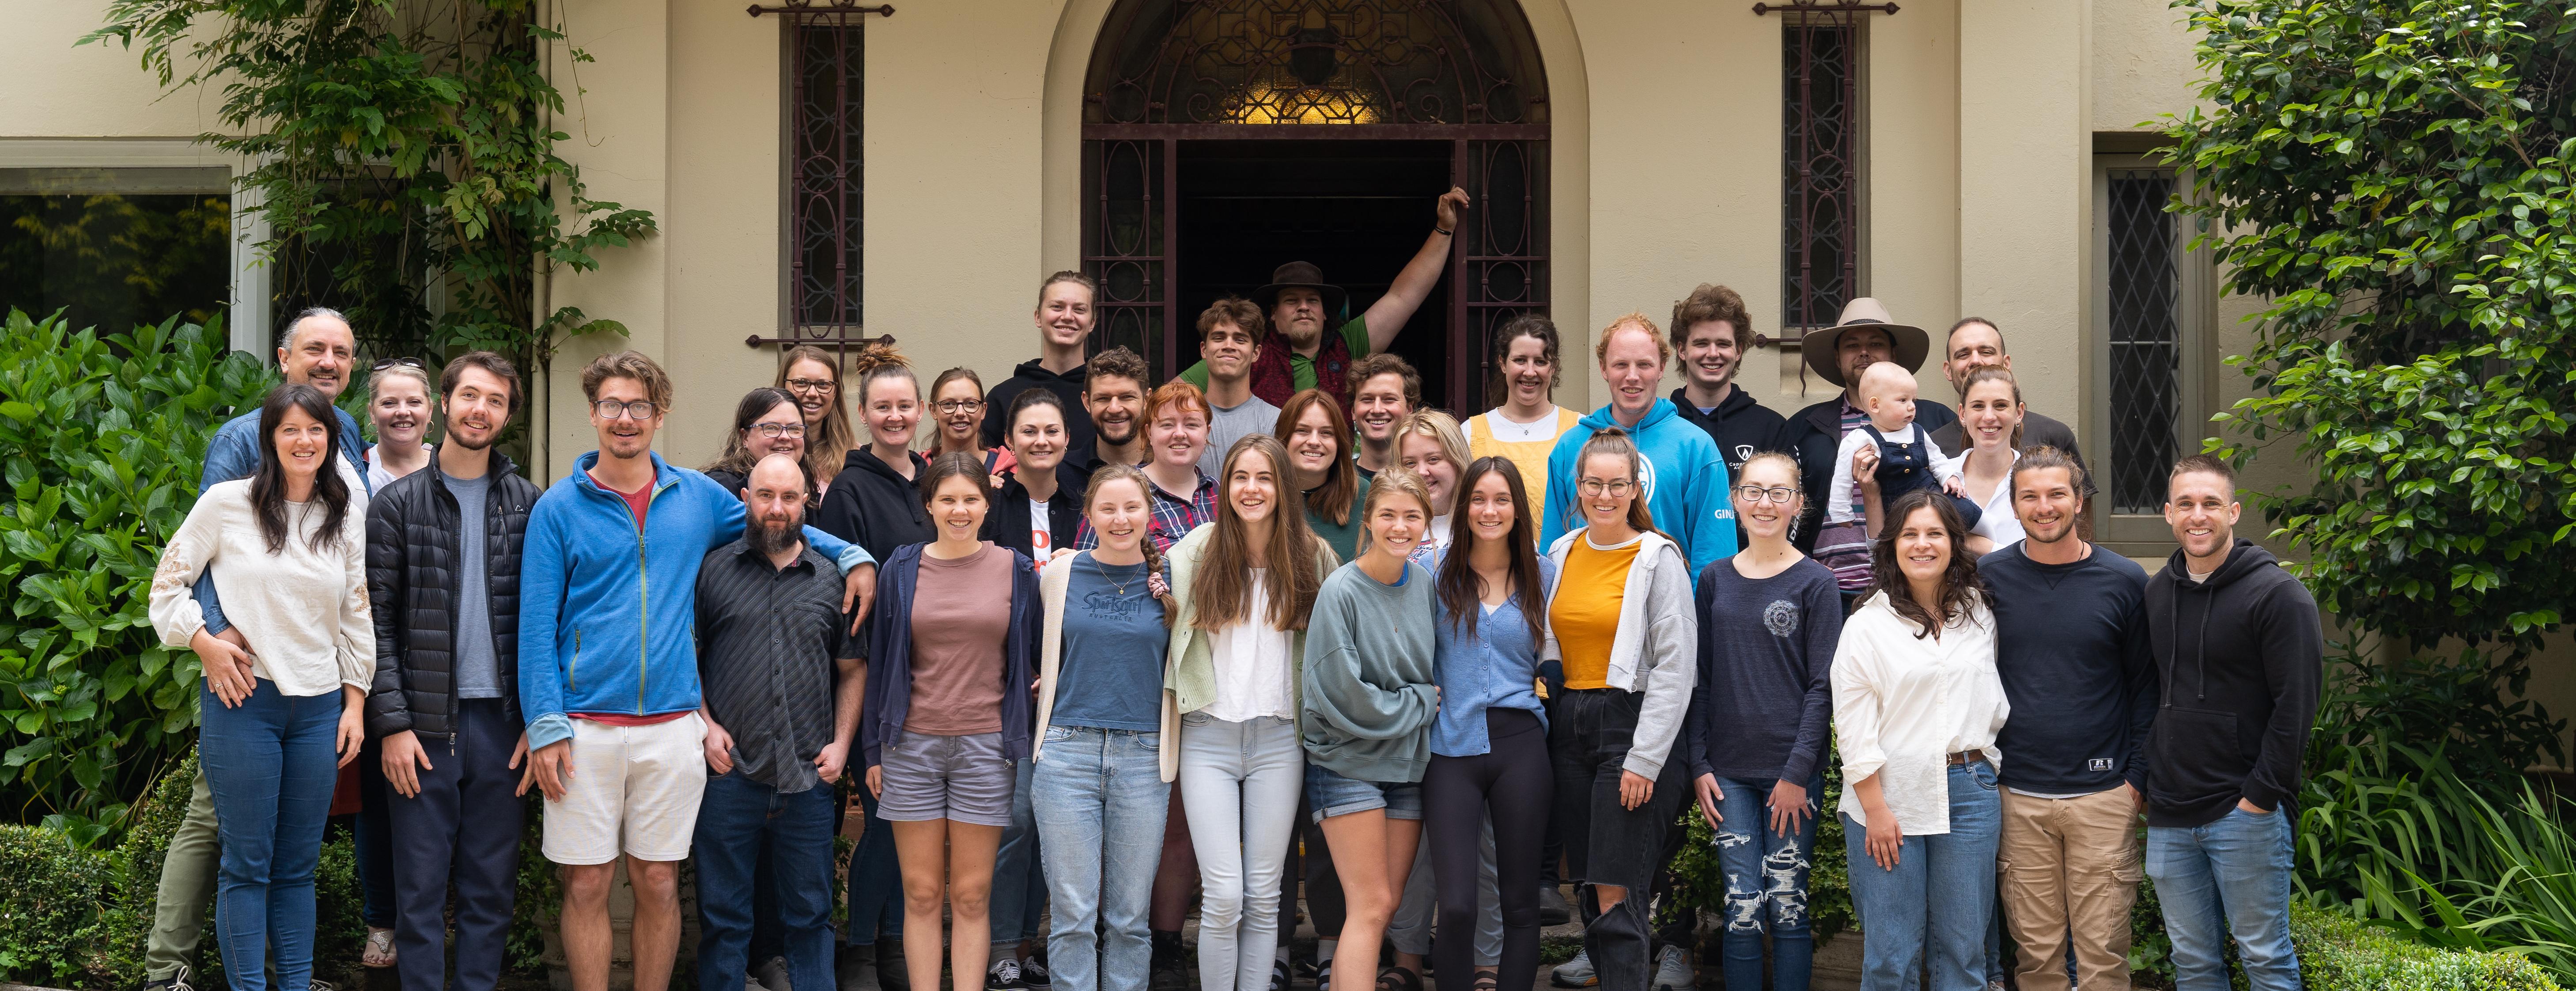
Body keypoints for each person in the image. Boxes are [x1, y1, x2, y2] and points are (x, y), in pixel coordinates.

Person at [518, 351, 874, 991]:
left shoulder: (696, 496)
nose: (625, 418)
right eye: (612, 405)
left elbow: (777, 519)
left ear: (661, 414)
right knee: (587, 882)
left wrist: (852, 555)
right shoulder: (558, 507)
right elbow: (536, 624)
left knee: (659, 880)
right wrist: (545, 722)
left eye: (640, 405)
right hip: (583, 725)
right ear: (593, 412)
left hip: (672, 724)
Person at [144, 308, 374, 991]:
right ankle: (181, 971)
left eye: (316, 430)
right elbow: (171, 584)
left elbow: (356, 608)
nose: (305, 440)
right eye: (290, 430)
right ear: (268, 436)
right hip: (245, 697)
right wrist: (209, 641)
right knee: (242, 860)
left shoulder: (344, 504)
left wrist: (355, 700)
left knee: (296, 867)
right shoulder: (228, 496)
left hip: (318, 705)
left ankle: (292, 983)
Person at [365, 351, 542, 991]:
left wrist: (539, 722)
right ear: (445, 403)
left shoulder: (531, 505)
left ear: (508, 415)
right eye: (470, 395)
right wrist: (392, 725)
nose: (480, 410)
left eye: (495, 400)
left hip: (503, 726)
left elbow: (546, 622)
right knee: (417, 892)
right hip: (422, 727)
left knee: (490, 889)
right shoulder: (396, 505)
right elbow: (375, 623)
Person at [1977, 446, 2154, 991]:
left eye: (2056, 493)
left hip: (2103, 796)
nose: (2044, 506)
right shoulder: (1987, 578)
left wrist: (2135, 780)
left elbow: (2146, 687)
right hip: (2018, 794)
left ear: (2079, 500)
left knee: (2103, 957)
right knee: (2036, 959)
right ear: (2014, 505)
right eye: (2029, 496)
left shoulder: (2125, 580)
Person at [863, 454, 1042, 991]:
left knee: (970, 894)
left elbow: (1038, 652)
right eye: (947, 499)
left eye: (970, 499)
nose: (959, 509)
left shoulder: (1017, 569)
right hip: (910, 746)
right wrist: (873, 749)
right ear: (929, 504)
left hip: (987, 747)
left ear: (987, 504)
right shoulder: (900, 567)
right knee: (920, 893)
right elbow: (880, 661)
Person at [2142, 456, 2321, 991]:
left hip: (2244, 813)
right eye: (2186, 504)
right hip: (2171, 813)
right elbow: (2154, 693)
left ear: (2234, 512)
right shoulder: (2157, 592)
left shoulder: (2278, 596)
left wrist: (2259, 798)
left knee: (2264, 958)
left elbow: (2296, 706)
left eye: (2211, 503)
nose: (2197, 516)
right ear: (2168, 513)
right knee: (2192, 962)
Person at [1165, 435, 1336, 991]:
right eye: (1240, 476)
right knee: (1223, 894)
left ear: (1283, 485)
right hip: (1207, 736)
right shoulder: (1194, 552)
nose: (1251, 488)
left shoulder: (1313, 557)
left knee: (1264, 894)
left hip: (1279, 740)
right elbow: (1148, 599)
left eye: (1264, 477)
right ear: (1226, 485)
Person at [693, 454, 867, 991]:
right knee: (723, 919)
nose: (777, 507)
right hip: (729, 775)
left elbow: (852, 669)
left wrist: (842, 744)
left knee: (811, 917)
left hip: (807, 776)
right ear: (746, 499)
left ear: (805, 503)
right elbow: (687, 658)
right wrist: (705, 723)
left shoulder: (832, 580)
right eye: (766, 495)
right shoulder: (712, 571)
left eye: (789, 497)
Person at [1540, 429, 1698, 991]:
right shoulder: (1561, 552)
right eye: (1593, 483)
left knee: (1616, 883)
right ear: (1577, 487)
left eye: (1616, 484)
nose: (1604, 495)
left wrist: (1645, 758)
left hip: (1630, 723)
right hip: (1570, 722)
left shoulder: (1658, 558)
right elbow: (1548, 639)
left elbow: (1677, 666)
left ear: (1635, 489)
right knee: (1588, 881)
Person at [1831, 490, 2006, 991]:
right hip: (1889, 794)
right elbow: (1853, 727)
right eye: (1910, 534)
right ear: (1892, 544)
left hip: (1970, 790)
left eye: (1935, 533)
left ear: (1954, 543)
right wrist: (1875, 808)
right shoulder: (1867, 625)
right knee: (1891, 954)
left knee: (1963, 951)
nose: (1922, 544)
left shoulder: (1978, 612)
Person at [1681, 453, 1839, 991]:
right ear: (1735, 500)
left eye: (1778, 492)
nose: (1764, 503)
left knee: (1788, 906)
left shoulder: (1816, 581)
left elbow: (1822, 686)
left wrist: (1796, 773)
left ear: (1798, 503)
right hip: (1726, 772)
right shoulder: (1714, 578)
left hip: (1791, 774)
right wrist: (1698, 762)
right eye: (1752, 491)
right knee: (1742, 906)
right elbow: (1700, 677)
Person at [1031, 464, 1176, 991]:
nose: (1120, 519)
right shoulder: (1060, 574)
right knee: (1072, 914)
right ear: (1088, 515)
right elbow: (1035, 644)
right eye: (1108, 508)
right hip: (1066, 752)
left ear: (1149, 513)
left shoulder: (1174, 578)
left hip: (1144, 755)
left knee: (1130, 916)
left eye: (1132, 507)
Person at [1303, 470, 1442, 991]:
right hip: (1346, 761)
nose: (1399, 526)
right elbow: (1344, 695)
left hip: (1404, 765)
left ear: (1426, 524)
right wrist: (1420, 703)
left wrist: (1416, 708)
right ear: (1368, 520)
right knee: (1372, 902)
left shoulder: (1424, 584)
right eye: (1388, 514)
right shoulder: (1340, 589)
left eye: (1412, 516)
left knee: (1381, 906)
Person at [1424, 459, 1556, 991]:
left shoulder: (1544, 574)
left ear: (1518, 509)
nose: (1489, 510)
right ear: (1463, 508)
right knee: (1457, 904)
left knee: (1520, 902)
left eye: (1501, 499)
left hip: (1520, 747)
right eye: (1478, 498)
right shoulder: (1434, 573)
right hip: (1449, 748)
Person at [1175, 187, 1471, 407]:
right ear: (1273, 314)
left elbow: (1404, 297)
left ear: (1325, 313)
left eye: (1312, 301)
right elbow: (1169, 398)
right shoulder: (1249, 352)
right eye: (1292, 301)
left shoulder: (1348, 345)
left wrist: (1444, 228)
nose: (1304, 307)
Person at [1538, 313, 1738, 582]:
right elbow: (1552, 554)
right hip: (1585, 601)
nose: (1632, 377)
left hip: (1666, 604)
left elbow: (1713, 561)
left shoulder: (1696, 447)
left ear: (1662, 368)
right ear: (1604, 368)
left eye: (1644, 365)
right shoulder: (1570, 447)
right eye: (1621, 364)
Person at [1770, 298, 1959, 577]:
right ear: (1838, 358)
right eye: (1852, 345)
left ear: (1894, 354)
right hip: (1830, 582)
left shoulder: (1935, 420)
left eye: (1876, 344)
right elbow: (1780, 500)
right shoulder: (1804, 427)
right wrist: (1799, 560)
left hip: (1918, 578)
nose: (1864, 352)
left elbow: (1959, 490)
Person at [1822, 362, 1976, 543]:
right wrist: (1841, 512)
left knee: (1972, 513)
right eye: (1903, 400)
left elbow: (1936, 458)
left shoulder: (1917, 431)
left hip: (1933, 494)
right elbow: (1842, 478)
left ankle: (1996, 544)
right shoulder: (1860, 439)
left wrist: (1949, 477)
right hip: (1895, 505)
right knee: (1901, 540)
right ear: (1875, 405)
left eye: (1913, 401)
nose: (1912, 407)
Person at [1926, 318, 2089, 481]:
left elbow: (2079, 496)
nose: (1975, 361)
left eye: (1986, 352)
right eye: (1963, 354)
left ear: (2006, 364)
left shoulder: (2053, 435)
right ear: (1948, 370)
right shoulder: (1933, 447)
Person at [819, 343, 935, 565]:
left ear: (920, 410)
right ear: (863, 412)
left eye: (905, 406)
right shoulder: (847, 491)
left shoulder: (936, 482)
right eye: (883, 407)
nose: (895, 417)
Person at [1077, 380, 1216, 554]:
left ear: (1207, 433)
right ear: (1149, 433)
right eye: (1168, 425)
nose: (1180, 434)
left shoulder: (1221, 492)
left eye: (1192, 425)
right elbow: (1084, 565)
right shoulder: (1118, 490)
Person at [1463, 314, 1582, 513]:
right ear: (1503, 363)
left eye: (1540, 362)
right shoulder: (1470, 433)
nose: (1530, 372)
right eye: (1520, 360)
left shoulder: (1579, 429)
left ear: (1553, 367)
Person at [1668, 285, 1786, 482]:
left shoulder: (1772, 428)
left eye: (1723, 344)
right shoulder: (1662, 424)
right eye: (1701, 344)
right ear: (1682, 351)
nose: (1713, 354)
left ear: (1738, 351)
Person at [983, 271, 1101, 456]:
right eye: (1057, 307)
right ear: (1038, 317)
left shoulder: (1105, 396)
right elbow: (986, 463)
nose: (1068, 316)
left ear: (1092, 322)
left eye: (1079, 310)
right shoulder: (1003, 397)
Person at [983, 388, 1085, 566]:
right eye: (1030, 432)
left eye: (1052, 431)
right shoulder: (988, 504)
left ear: (1067, 439)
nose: (1041, 441)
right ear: (1009, 440)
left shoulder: (1084, 509)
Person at [1278, 388, 1370, 563]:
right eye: (1302, 430)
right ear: (1284, 437)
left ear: (1339, 443)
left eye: (1326, 433)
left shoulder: (1363, 494)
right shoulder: (1265, 494)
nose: (1314, 442)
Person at [1197, 296, 1283, 481]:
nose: (1229, 346)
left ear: (1256, 353)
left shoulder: (1276, 421)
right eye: (1219, 338)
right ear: (1204, 350)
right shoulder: (1183, 420)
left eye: (1240, 340)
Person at [1951, 369, 2028, 556]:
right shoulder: (1938, 477)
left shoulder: (2037, 481)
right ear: (1962, 414)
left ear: (2019, 413)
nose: (1989, 417)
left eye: (2000, 406)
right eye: (1978, 406)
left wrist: (1978, 545)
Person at [777, 345, 862, 500]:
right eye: (801, 383)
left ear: (835, 393)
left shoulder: (855, 458)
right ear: (783, 387)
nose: (812, 393)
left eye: (823, 385)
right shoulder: (765, 450)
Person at [703, 387, 811, 496]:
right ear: (745, 437)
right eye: (771, 428)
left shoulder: (807, 486)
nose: (785, 437)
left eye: (794, 428)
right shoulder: (719, 488)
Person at [1394, 409, 1467, 562]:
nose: (1422, 472)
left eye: (1433, 459)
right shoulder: (1390, 525)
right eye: (1410, 463)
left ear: (1458, 459)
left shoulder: (1482, 523)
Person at [1073, 347, 1153, 482]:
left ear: (1147, 400)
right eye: (1103, 398)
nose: (1114, 409)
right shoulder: (1062, 475)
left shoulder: (1171, 469)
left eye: (1127, 397)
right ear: (1087, 402)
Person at [364, 359, 434, 490]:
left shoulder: (449, 470)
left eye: (414, 402)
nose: (403, 412)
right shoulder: (356, 473)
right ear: (372, 413)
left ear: (430, 411)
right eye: (389, 403)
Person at [1347, 354, 1419, 480]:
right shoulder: (1336, 481)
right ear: (1353, 412)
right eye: (1367, 399)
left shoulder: (1426, 478)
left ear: (1409, 410)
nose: (1377, 410)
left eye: (1389, 399)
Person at [927, 367, 995, 464]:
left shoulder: (1010, 470)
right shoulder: (917, 470)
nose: (960, 413)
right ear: (933, 411)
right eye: (948, 404)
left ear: (983, 410)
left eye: (971, 403)